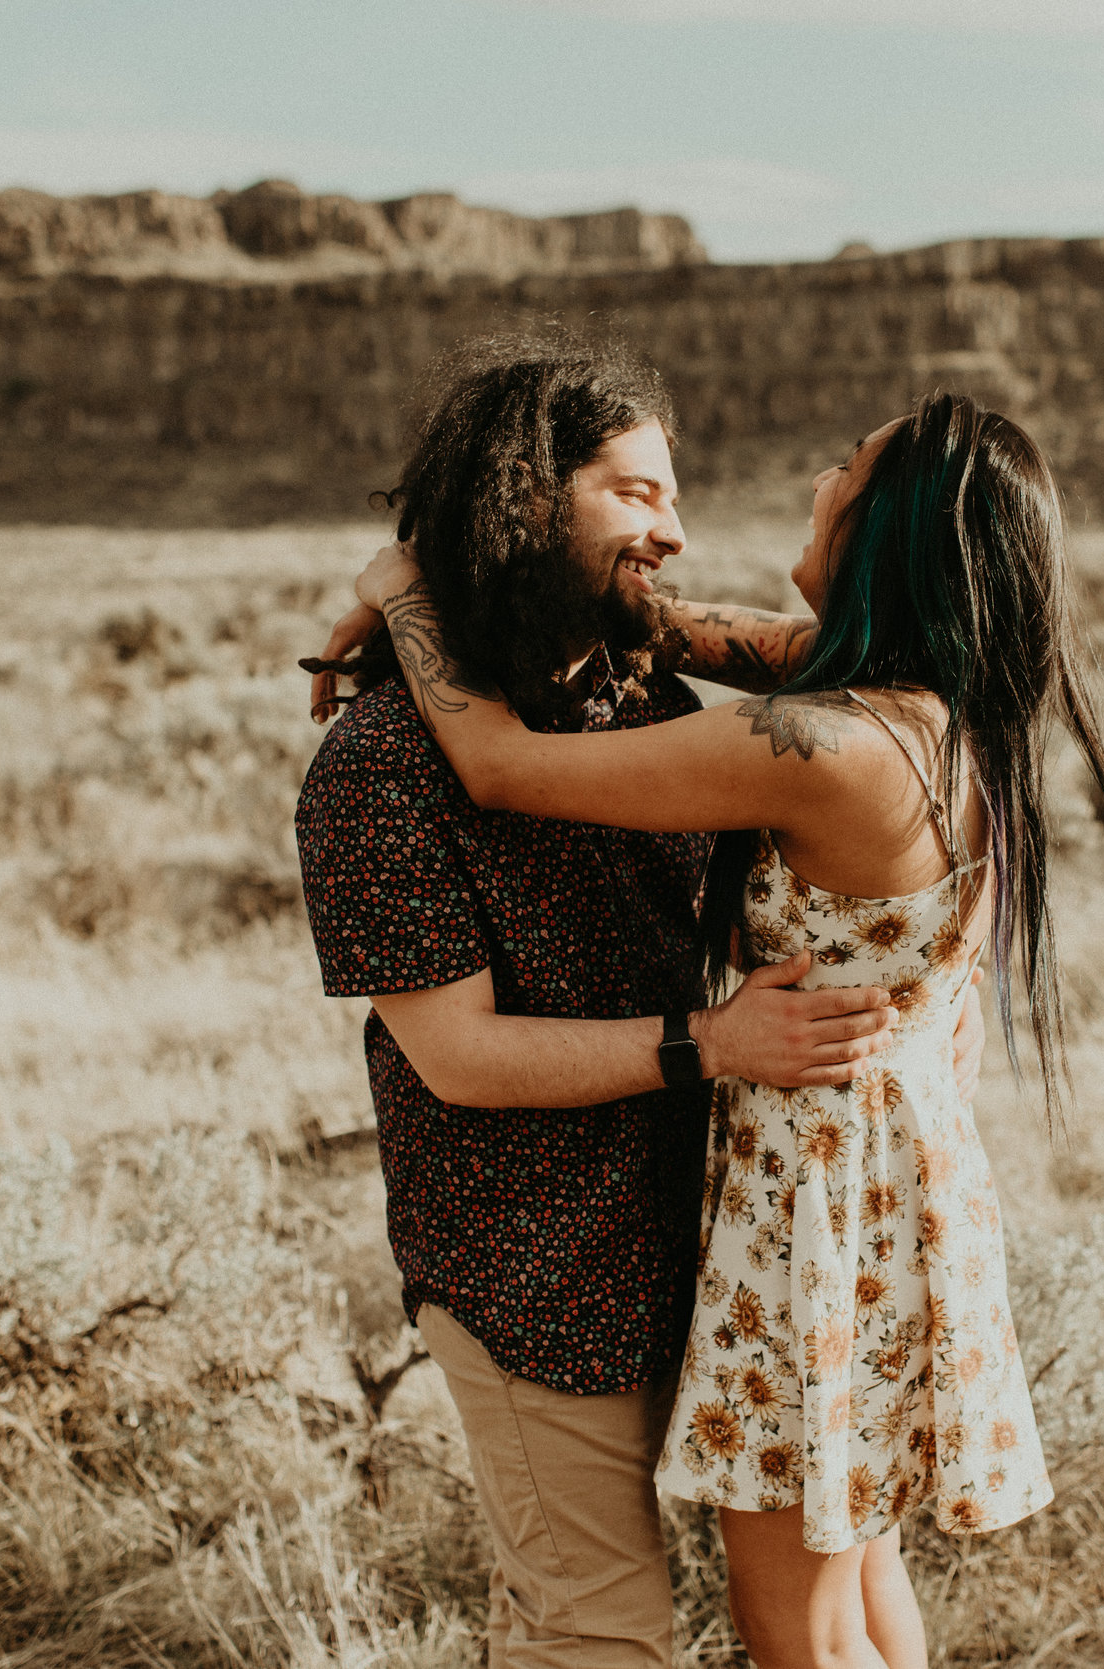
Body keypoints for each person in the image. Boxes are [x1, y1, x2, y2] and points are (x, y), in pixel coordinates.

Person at [346, 389, 1104, 1669]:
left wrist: (404, 590)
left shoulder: (825, 748)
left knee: (794, 1631)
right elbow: (692, 632)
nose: (816, 478)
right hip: (887, 1180)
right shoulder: (921, 702)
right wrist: (502, 572)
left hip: (809, 1205)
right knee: (856, 1590)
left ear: (884, 531)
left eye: (842, 471)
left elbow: (503, 768)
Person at [294, 334, 987, 1669]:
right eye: (639, 494)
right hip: (534, 1263)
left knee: (832, 1598)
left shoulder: (659, 699)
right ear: (523, 496)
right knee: (596, 1634)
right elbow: (456, 1059)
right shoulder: (380, 765)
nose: (677, 533)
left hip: (732, 1229)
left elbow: (825, 673)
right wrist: (714, 1043)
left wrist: (409, 589)